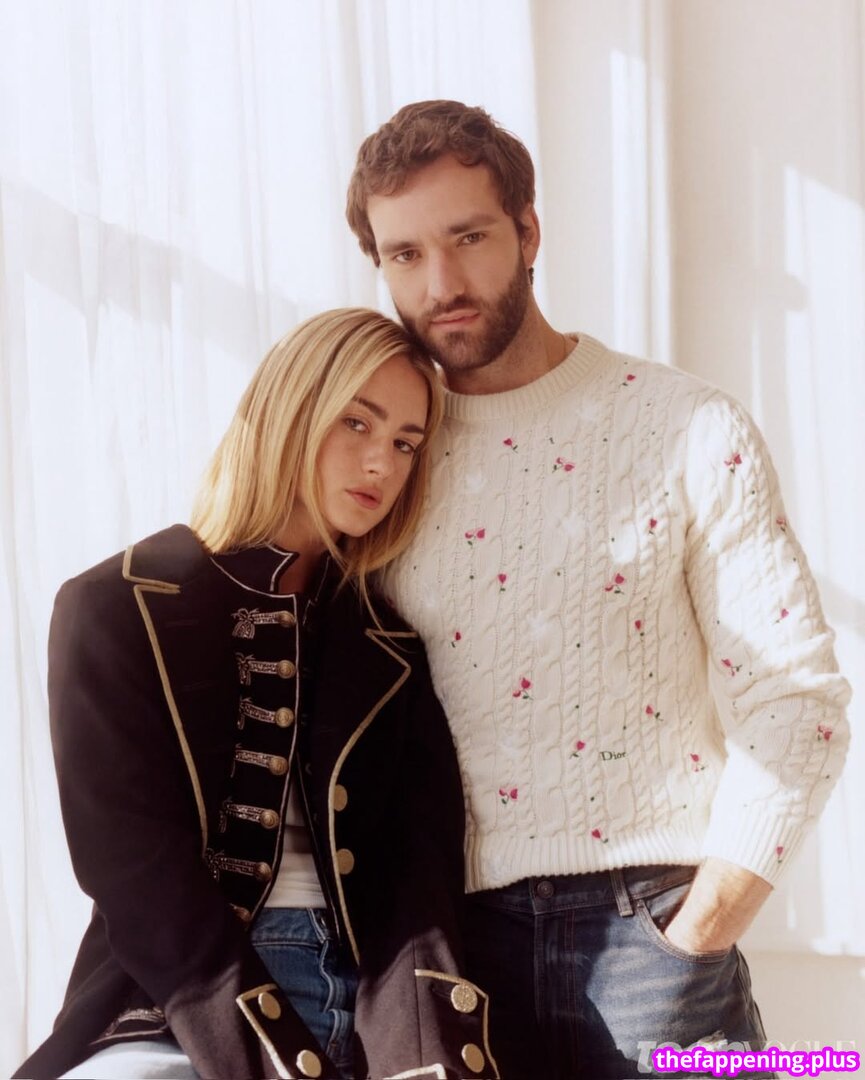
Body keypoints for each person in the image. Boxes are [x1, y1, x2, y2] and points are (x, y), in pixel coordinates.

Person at [345, 101, 852, 1079]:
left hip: (654, 932)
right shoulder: (385, 457)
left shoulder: (685, 426)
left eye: (468, 238)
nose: (440, 285)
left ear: (528, 231)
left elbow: (797, 702)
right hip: (451, 949)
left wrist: (696, 934)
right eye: (405, 254)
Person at [15, 308, 499, 1080]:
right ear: (289, 412)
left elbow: (420, 885)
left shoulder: (389, 645)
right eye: (356, 422)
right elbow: (133, 871)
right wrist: (272, 1059)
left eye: (405, 443)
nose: (381, 463)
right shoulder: (116, 605)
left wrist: (424, 1059)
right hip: (181, 1009)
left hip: (370, 1010)